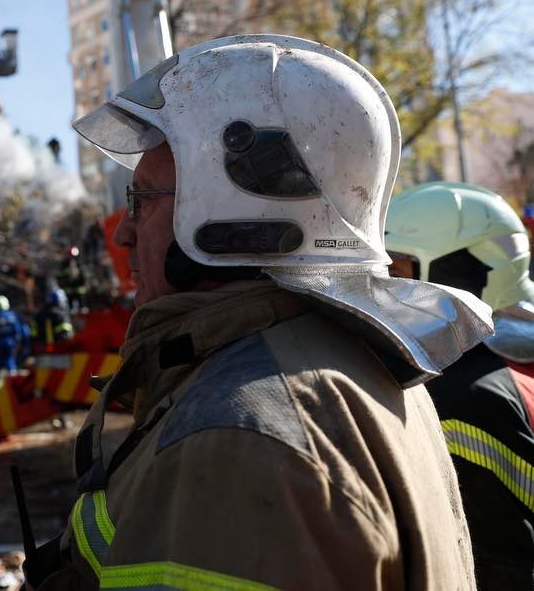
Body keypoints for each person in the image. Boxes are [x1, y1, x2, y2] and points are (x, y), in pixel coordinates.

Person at [24, 35, 493, 589]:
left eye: (141, 199)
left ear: (229, 211)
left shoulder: (232, 437)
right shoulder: (364, 364)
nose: (124, 231)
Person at [385, 181, 534, 587]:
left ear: (459, 272)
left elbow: (506, 564)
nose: (386, 289)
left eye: (397, 271)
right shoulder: (514, 349)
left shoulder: (465, 392)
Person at [0, 295, 25, 373]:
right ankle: (13, 380)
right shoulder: (13, 316)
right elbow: (18, 330)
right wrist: (18, 342)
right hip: (11, 343)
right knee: (10, 361)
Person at [32, 288, 74, 353]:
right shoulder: (59, 314)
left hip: (42, 347)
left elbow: (34, 331)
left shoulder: (39, 314)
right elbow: (65, 331)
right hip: (59, 347)